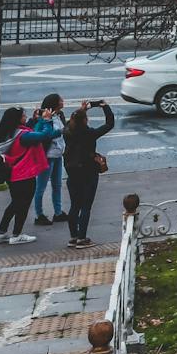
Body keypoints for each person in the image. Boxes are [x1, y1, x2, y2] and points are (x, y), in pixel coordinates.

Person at [0, 107, 59, 245]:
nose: (25, 117)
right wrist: (47, 120)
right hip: (24, 175)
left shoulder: (8, 133)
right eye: (23, 115)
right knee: (23, 205)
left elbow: (31, 130)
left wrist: (36, 120)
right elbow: (43, 136)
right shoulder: (23, 136)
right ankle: (17, 235)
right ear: (17, 119)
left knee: (15, 203)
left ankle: (1, 232)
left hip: (12, 174)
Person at [63, 100, 116, 248]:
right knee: (86, 206)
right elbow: (109, 124)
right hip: (88, 172)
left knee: (74, 205)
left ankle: (73, 237)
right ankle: (82, 238)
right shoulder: (89, 133)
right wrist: (105, 107)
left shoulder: (67, 132)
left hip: (72, 172)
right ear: (85, 121)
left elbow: (70, 121)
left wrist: (82, 110)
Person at [30, 93, 65, 227]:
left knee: (57, 185)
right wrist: (56, 128)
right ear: (54, 103)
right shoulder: (43, 117)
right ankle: (39, 215)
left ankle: (58, 212)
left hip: (58, 155)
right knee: (41, 187)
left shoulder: (59, 115)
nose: (63, 101)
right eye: (60, 100)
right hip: (47, 156)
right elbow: (46, 135)